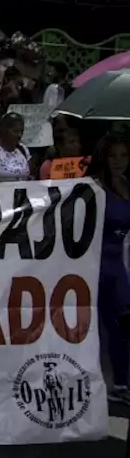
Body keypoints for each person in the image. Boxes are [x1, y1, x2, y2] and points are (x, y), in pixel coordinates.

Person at [86, 135, 130, 405]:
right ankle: (91, 383)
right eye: (113, 156)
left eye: (124, 156)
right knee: (91, 328)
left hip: (119, 265)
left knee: (122, 327)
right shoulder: (95, 186)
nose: (118, 162)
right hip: (95, 264)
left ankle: (121, 384)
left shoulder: (127, 184)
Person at [0, 112, 33, 182]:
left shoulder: (23, 149)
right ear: (4, 131)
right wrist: (5, 183)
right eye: (15, 131)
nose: (19, 135)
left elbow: (29, 175)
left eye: (21, 131)